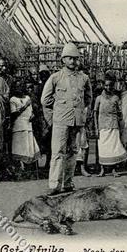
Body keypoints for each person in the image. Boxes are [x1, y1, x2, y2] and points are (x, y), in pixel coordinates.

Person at [41, 42, 92, 195]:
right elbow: (45, 100)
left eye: (76, 58)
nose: (73, 61)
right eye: (69, 58)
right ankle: (54, 185)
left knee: (73, 152)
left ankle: (68, 183)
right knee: (57, 152)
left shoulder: (84, 78)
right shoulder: (55, 77)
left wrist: (81, 114)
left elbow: (88, 98)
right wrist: (58, 110)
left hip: (76, 121)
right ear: (63, 60)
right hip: (61, 120)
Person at [93, 77, 127, 177]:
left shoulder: (116, 98)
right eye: (106, 85)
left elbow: (120, 113)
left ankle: (113, 170)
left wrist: (120, 126)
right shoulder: (99, 98)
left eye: (110, 85)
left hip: (113, 126)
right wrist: (96, 127)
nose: (108, 87)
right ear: (103, 86)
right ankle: (102, 170)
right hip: (102, 126)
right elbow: (95, 113)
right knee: (103, 149)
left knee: (113, 148)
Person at [9, 81, 40, 169]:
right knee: (19, 148)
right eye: (17, 86)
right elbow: (14, 113)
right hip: (18, 126)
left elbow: (31, 111)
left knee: (29, 147)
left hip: (28, 125)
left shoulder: (27, 97)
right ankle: (19, 168)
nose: (19, 88)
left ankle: (29, 167)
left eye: (21, 86)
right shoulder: (13, 99)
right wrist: (25, 106)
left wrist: (33, 115)